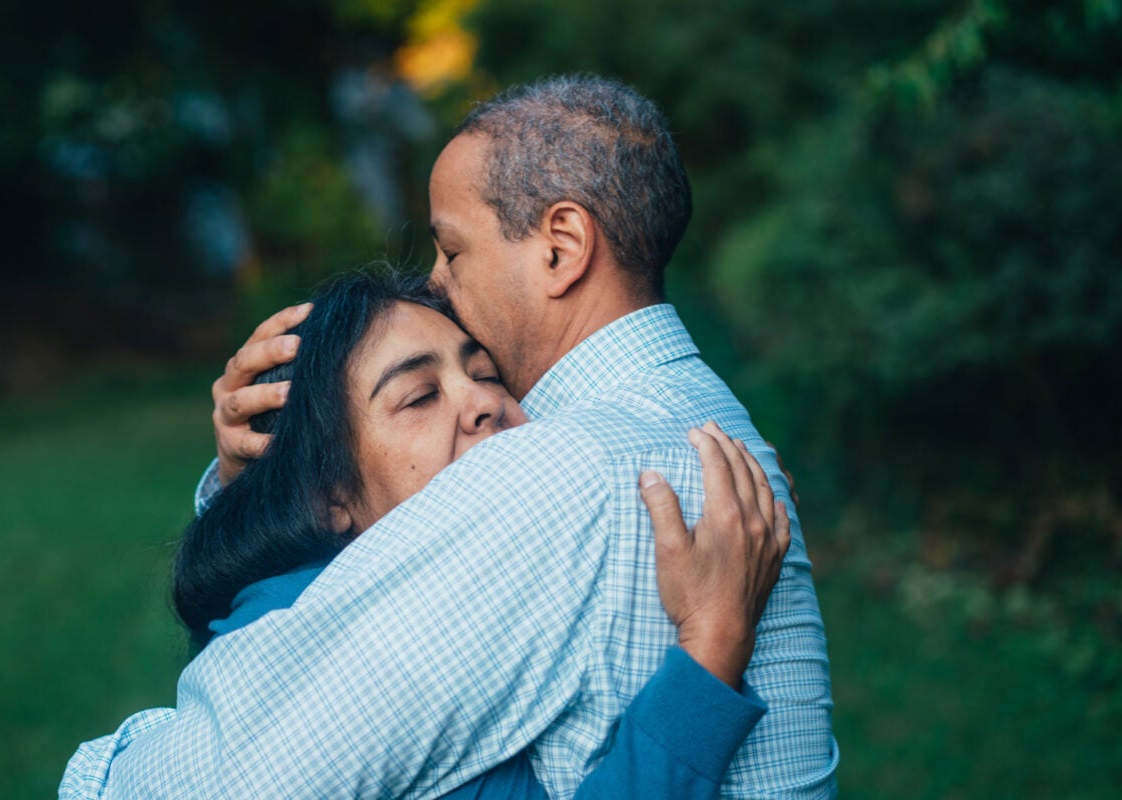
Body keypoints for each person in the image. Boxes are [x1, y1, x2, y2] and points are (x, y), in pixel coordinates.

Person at [73, 75, 837, 797]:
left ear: (561, 246)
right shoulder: (706, 423)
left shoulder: (559, 471)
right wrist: (258, 485)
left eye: (453, 248)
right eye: (418, 394)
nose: (436, 282)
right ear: (328, 491)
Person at [62, 270, 786, 799]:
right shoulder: (380, 673)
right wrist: (712, 647)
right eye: (419, 395)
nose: (484, 404)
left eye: (486, 373)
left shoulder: (302, 599)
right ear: (329, 495)